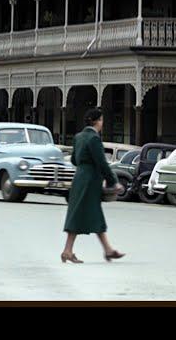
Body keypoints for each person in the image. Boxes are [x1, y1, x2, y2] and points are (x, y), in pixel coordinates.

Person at [61, 108, 125, 264]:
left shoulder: (79, 137)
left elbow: (75, 160)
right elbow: (102, 162)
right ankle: (69, 251)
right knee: (89, 213)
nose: (103, 123)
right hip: (90, 180)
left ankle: (105, 249)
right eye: (102, 120)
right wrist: (113, 180)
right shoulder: (94, 139)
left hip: (79, 178)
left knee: (85, 213)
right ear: (97, 121)